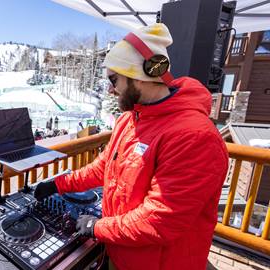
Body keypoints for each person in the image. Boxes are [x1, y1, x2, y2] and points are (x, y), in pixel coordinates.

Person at [33, 23, 229, 270]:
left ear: (142, 73)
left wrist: (97, 227)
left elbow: (160, 220)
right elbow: (103, 167)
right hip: (121, 251)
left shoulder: (194, 137)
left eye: (114, 79)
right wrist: (59, 184)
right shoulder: (130, 119)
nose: (111, 90)